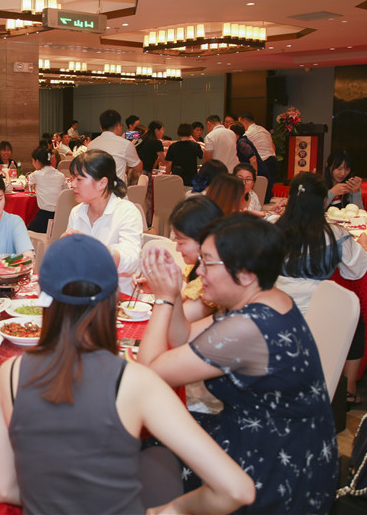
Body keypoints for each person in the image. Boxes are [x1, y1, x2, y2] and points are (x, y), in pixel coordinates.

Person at [0, 234, 254, 514]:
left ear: (43, 297)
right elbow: (237, 490)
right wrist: (170, 511)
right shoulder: (136, 381)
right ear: (114, 299)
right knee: (161, 460)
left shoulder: (10, 373)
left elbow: (5, 489)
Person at [138, 213, 338, 513]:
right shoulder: (268, 299)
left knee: (140, 446)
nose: (199, 271)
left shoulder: (248, 328)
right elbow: (183, 338)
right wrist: (175, 295)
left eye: (207, 263)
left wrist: (163, 299)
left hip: (274, 471)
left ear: (245, 274)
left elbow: (149, 372)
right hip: (280, 442)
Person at [275, 172, 367, 403]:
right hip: (317, 313)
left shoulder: (270, 227)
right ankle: (349, 389)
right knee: (355, 316)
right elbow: (358, 269)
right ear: (323, 202)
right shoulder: (335, 234)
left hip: (272, 309)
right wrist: (366, 246)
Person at [65, 149, 143, 295]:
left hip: (118, 296)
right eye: (73, 178)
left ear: (102, 183)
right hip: (84, 293)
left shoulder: (127, 212)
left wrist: (95, 249)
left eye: (79, 179)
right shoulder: (77, 212)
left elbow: (131, 260)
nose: (73, 184)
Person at [164, 195, 225, 324]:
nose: (177, 249)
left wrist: (163, 296)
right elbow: (185, 294)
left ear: (204, 240)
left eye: (181, 242)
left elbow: (173, 325)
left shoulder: (210, 281)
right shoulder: (196, 268)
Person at [87, 109, 142, 184]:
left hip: (96, 188)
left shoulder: (91, 145)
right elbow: (138, 168)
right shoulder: (125, 144)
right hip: (117, 189)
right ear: (118, 126)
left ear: (101, 127)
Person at [26, 146, 66, 234]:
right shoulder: (61, 175)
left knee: (27, 228)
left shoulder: (36, 174)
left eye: (33, 161)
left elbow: (27, 183)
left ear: (37, 161)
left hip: (43, 218)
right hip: (58, 218)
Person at [239, 113, 277, 202]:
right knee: (268, 188)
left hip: (264, 161)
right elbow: (273, 146)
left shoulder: (248, 133)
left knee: (261, 190)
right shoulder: (264, 130)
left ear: (244, 122)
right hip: (273, 159)